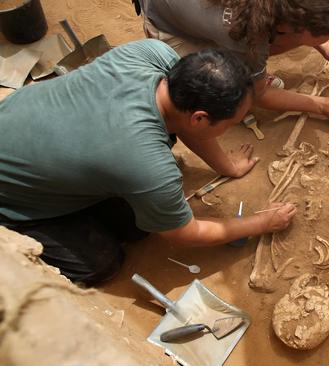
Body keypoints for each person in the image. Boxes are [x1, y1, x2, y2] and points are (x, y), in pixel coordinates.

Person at [0, 39, 297, 285]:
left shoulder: (152, 54)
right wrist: (260, 223)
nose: (228, 129)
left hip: (18, 122)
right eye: (229, 123)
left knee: (138, 224)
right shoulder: (148, 166)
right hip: (10, 196)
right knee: (100, 263)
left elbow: (187, 124)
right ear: (200, 118)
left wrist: (227, 167)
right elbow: (185, 232)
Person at [135, 0, 329, 121]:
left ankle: (254, 73)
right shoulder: (248, 34)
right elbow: (259, 95)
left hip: (187, 10)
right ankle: (251, 75)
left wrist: (326, 46)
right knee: (225, 90)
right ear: (294, 25)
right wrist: (321, 106)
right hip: (168, 25)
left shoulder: (277, 9)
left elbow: (296, 16)